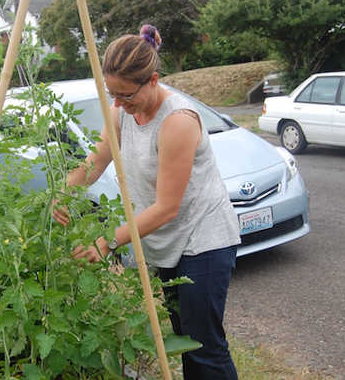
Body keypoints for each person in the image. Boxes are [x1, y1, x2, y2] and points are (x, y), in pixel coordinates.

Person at [52, 24, 240, 380]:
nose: (118, 104)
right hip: (167, 239)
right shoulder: (121, 110)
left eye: (125, 95)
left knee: (204, 346)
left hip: (204, 238)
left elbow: (167, 207)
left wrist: (107, 241)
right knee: (185, 339)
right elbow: (97, 159)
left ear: (153, 80)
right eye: (112, 94)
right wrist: (64, 190)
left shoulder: (178, 122)